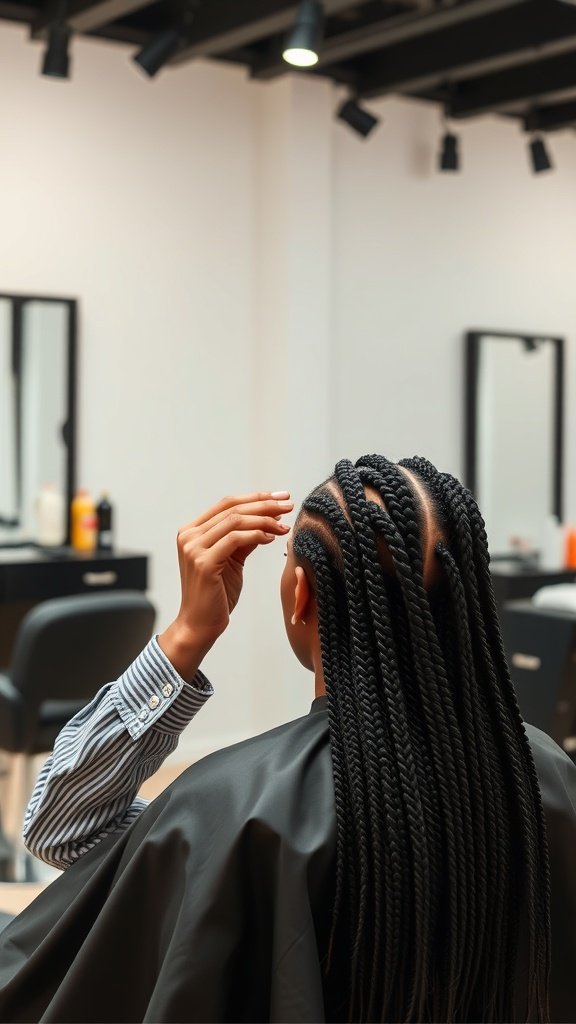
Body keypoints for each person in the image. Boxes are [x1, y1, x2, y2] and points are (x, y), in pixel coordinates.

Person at [0, 455, 575, 1024]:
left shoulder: (231, 809)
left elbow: (62, 831)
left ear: (301, 595)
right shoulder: (547, 774)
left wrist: (187, 634)